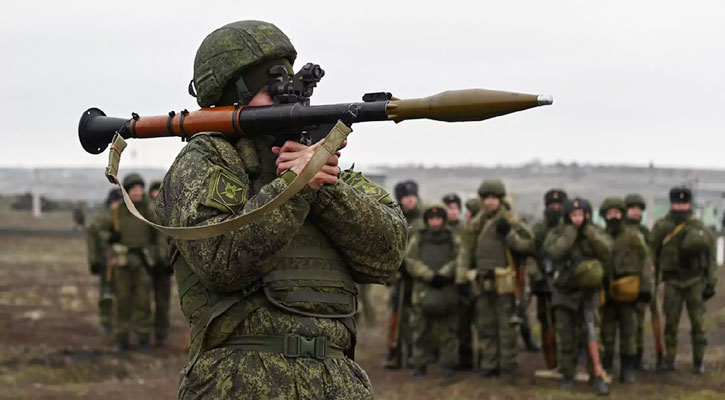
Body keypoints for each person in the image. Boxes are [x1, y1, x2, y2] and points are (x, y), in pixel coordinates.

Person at [155, 20, 407, 399]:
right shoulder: (206, 161)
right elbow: (220, 260)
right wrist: (295, 187)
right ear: (231, 96)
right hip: (239, 381)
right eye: (269, 90)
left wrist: (324, 188)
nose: (287, 100)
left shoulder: (324, 167)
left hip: (337, 382)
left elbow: (386, 255)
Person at [460, 179, 534, 380]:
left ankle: (508, 367)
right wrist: (462, 278)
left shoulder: (511, 219)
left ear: (500, 199)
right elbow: (466, 250)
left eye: (494, 198)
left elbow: (529, 244)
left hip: (506, 282)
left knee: (506, 327)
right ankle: (489, 365)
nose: (490, 202)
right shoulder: (477, 222)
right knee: (486, 326)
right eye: (487, 198)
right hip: (482, 281)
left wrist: (508, 234)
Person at [543, 198, 611, 395]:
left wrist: (590, 234)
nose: (577, 219)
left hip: (588, 292)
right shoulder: (558, 232)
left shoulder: (595, 232)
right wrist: (569, 235)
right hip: (564, 291)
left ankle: (596, 375)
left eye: (581, 215)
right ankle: (567, 374)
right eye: (573, 215)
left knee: (592, 334)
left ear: (588, 215)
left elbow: (607, 251)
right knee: (565, 335)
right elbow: (553, 252)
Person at [650, 187, 716, 374]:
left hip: (695, 281)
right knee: (671, 323)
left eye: (684, 203)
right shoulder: (662, 226)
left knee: (698, 324)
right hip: (672, 281)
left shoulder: (698, 227)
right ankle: (669, 359)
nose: (680, 207)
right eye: (677, 203)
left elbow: (710, 256)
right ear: (671, 204)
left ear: (689, 204)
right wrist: (652, 282)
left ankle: (698, 360)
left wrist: (711, 282)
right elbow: (652, 253)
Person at [98, 174, 160, 352]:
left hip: (143, 262)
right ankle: (121, 338)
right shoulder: (117, 211)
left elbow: (160, 234)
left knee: (143, 302)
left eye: (141, 188)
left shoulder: (149, 211)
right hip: (122, 262)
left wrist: (160, 257)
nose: (138, 192)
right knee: (122, 302)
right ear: (126, 191)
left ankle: (143, 339)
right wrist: (111, 237)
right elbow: (100, 231)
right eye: (134, 189)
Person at [598, 197, 652, 383]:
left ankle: (628, 369)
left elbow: (645, 262)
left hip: (629, 290)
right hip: (606, 291)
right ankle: (606, 366)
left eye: (617, 212)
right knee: (607, 333)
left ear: (622, 214)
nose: (613, 216)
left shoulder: (633, 237)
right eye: (609, 213)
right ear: (604, 216)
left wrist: (645, 288)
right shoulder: (599, 236)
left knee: (629, 332)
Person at [406, 203, 462, 377]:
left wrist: (444, 274)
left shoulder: (453, 238)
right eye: (431, 218)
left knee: (448, 332)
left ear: (444, 220)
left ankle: (448, 365)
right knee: (421, 331)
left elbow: (460, 259)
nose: (435, 222)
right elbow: (410, 260)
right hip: (423, 291)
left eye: (438, 218)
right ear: (427, 220)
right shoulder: (419, 238)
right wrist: (429, 275)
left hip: (447, 291)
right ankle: (419, 364)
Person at [384, 180, 425, 369]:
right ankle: (395, 352)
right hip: (399, 277)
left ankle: (414, 354)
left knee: (416, 317)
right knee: (396, 315)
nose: (409, 201)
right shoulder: (395, 219)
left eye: (412, 197)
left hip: (418, 277)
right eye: (405, 198)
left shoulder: (424, 221)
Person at [531, 188, 568, 368]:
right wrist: (537, 276)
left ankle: (568, 362)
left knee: (567, 325)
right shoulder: (538, 229)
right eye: (552, 205)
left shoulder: (570, 229)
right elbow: (530, 254)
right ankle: (551, 362)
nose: (555, 208)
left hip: (566, 284)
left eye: (559, 205)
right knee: (547, 325)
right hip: (544, 284)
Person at [86, 188, 122, 334]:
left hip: (123, 260)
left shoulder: (126, 215)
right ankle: (106, 321)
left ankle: (122, 322)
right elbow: (93, 239)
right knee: (107, 292)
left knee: (124, 293)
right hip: (106, 261)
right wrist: (93, 261)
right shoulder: (101, 218)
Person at [623, 193, 652, 370]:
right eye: (632, 208)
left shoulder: (645, 233)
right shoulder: (620, 230)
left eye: (638, 209)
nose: (635, 212)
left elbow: (650, 259)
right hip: (623, 283)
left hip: (641, 283)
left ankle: (637, 359)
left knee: (639, 323)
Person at [148, 180, 172, 346]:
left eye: (159, 191)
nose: (156, 194)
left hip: (165, 264)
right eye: (154, 191)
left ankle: (161, 335)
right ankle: (142, 334)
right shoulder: (145, 212)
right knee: (142, 301)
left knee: (163, 301)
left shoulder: (171, 210)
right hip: (148, 263)